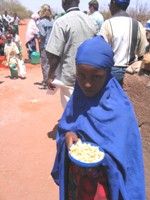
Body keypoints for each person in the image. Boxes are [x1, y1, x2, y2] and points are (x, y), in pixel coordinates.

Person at [51, 36, 146, 200]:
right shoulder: (77, 101)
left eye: (96, 76)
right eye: (81, 75)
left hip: (105, 189)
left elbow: (128, 160)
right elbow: (66, 128)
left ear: (108, 74)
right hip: (77, 185)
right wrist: (68, 135)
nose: (87, 84)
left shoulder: (120, 109)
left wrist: (104, 158)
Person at [46, 0, 97, 109]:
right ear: (78, 2)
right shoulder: (91, 21)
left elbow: (54, 54)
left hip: (70, 77)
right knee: (86, 110)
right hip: (89, 75)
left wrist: (50, 75)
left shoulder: (61, 22)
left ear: (64, 3)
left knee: (70, 112)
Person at [99, 0, 147, 86]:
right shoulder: (138, 25)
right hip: (131, 73)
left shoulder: (107, 24)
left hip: (111, 73)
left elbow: (101, 52)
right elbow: (142, 54)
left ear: (113, 4)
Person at [36, 4, 53, 89]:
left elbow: (42, 34)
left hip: (44, 46)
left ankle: (46, 83)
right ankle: (51, 80)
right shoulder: (52, 21)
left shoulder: (41, 22)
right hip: (52, 46)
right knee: (51, 64)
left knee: (44, 65)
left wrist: (36, 34)